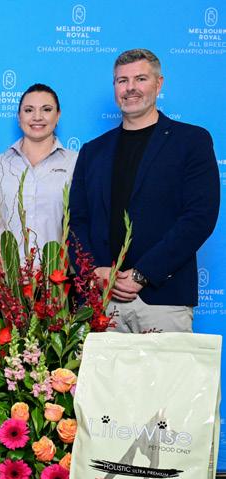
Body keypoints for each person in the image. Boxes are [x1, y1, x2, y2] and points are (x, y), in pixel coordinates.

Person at [70, 48, 219, 333]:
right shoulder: (92, 151)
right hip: (100, 301)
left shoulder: (191, 141)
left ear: (158, 83)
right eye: (122, 80)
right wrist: (93, 272)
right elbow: (76, 221)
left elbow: (200, 217)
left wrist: (143, 274)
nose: (130, 88)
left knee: (168, 367)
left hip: (163, 300)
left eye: (140, 79)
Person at [0, 83, 77, 313]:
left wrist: (58, 268)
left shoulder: (76, 163)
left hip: (57, 283)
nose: (37, 117)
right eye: (29, 110)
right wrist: (5, 269)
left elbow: (81, 222)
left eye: (46, 109)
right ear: (19, 116)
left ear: (58, 115)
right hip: (5, 282)